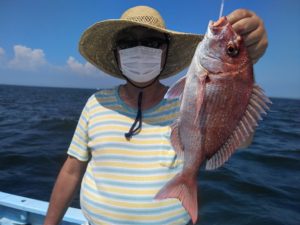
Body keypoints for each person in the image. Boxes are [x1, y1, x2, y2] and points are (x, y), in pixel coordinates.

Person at [44, 5, 268, 225]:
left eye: (152, 42)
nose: (140, 50)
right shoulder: (95, 104)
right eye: (128, 43)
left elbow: (242, 139)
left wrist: (245, 64)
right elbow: (72, 171)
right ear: (116, 54)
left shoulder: (183, 103)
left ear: (165, 52)